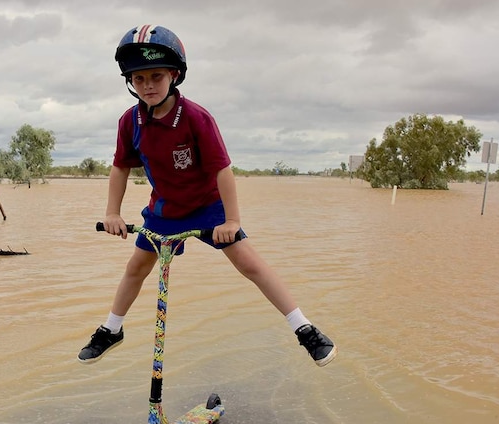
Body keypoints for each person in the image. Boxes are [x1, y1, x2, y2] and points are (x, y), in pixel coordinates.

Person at [78, 24, 337, 367]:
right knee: (136, 268)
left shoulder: (196, 118)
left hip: (208, 207)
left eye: (156, 76)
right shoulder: (131, 121)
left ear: (175, 75)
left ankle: (303, 328)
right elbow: (120, 168)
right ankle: (112, 329)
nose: (147, 86)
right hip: (164, 210)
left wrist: (232, 220)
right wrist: (112, 212)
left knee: (250, 264)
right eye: (138, 79)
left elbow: (222, 170)